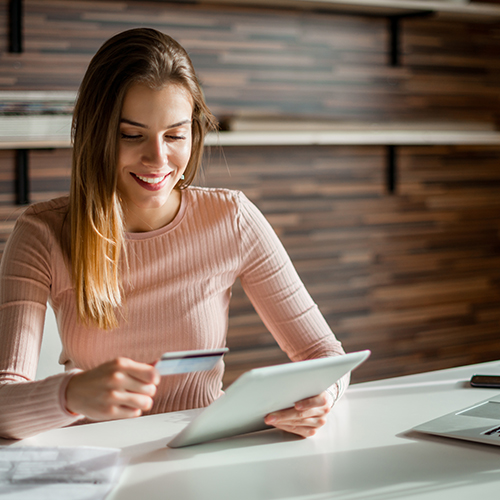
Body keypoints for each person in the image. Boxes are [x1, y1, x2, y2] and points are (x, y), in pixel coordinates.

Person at [0, 28, 348, 440]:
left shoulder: (231, 217)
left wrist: (321, 397)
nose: (158, 159)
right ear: (95, 134)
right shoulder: (42, 233)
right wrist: (70, 394)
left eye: (175, 135)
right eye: (132, 135)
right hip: (99, 459)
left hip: (206, 455)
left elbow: (324, 355)